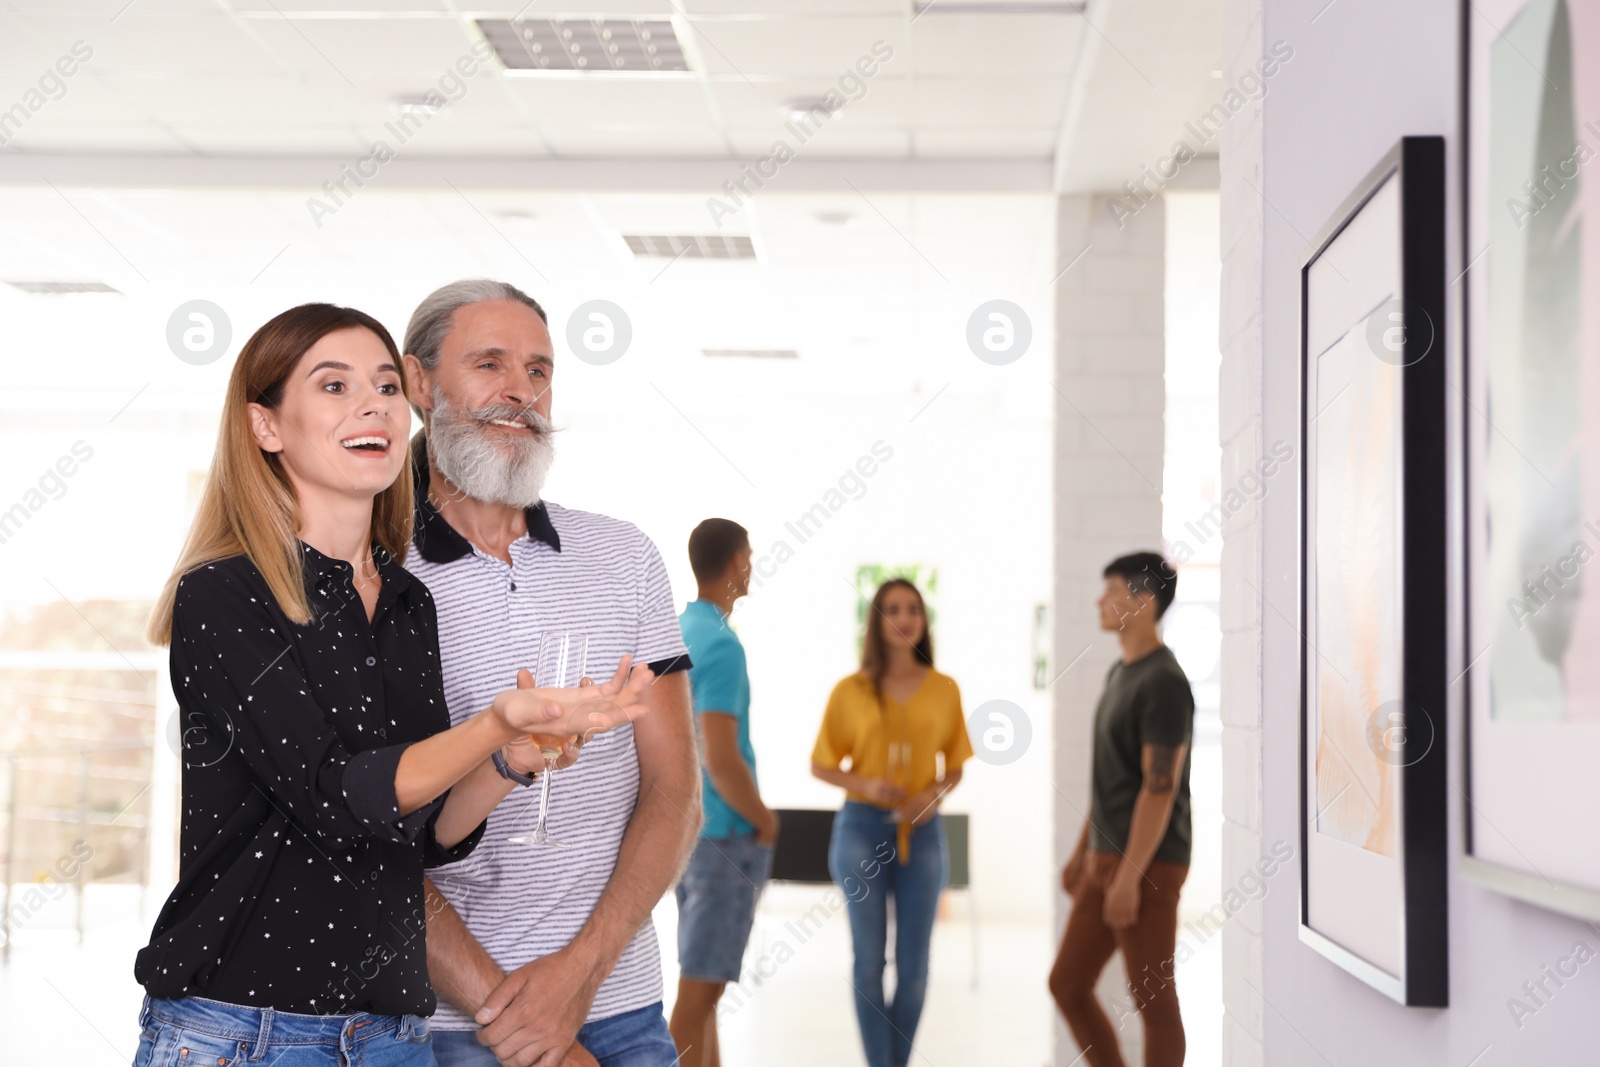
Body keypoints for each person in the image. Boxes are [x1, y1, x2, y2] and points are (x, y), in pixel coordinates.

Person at [132, 303, 650, 1067]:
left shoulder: (409, 602)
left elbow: (424, 831)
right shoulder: (223, 597)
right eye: (334, 386)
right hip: (242, 1034)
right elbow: (340, 798)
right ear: (266, 427)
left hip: (388, 1037)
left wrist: (511, 759)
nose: (373, 403)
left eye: (382, 384)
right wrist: (498, 720)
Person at [398, 279, 699, 1067]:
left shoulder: (626, 556)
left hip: (620, 1008)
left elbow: (674, 792)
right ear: (419, 382)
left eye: (538, 370)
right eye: (489, 363)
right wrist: (522, 1024)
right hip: (440, 1028)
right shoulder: (370, 573)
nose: (519, 392)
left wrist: (580, 974)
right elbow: (370, 844)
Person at [810, 578, 972, 1067]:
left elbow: (957, 765)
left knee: (915, 967)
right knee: (868, 962)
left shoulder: (944, 689)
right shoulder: (850, 690)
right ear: (877, 623)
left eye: (913, 610)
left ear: (924, 622)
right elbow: (820, 765)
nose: (904, 619)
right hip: (860, 829)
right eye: (893, 609)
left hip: (922, 834)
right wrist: (866, 785)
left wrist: (931, 794)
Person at [1048, 551, 1195, 1067]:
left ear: (1143, 602)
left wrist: (1131, 874)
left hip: (1148, 863)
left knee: (1153, 1002)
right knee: (1067, 983)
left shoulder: (1164, 682)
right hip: (1105, 860)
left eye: (1111, 591)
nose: (1100, 601)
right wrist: (1081, 851)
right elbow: (1112, 780)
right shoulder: (1121, 673)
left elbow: (1159, 789)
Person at [669, 518, 778, 1067]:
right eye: (750, 555)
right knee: (698, 996)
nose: (752, 565)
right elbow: (720, 754)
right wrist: (764, 820)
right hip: (724, 836)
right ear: (737, 562)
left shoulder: (681, 628)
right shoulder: (722, 646)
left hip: (687, 834)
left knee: (704, 994)